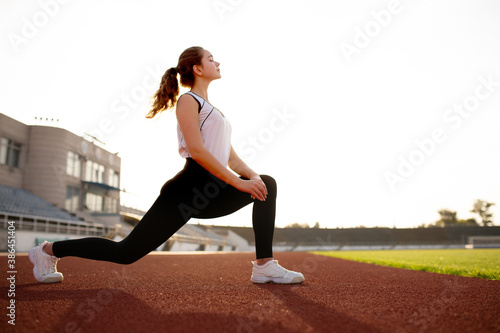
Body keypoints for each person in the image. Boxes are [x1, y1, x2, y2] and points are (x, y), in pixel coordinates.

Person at [29, 46, 305, 285]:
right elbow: (196, 150)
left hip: (213, 191)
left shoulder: (215, 110)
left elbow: (230, 157)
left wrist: (252, 176)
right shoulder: (188, 100)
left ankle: (264, 266)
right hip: (185, 193)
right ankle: (47, 250)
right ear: (197, 68)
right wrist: (238, 182)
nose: (217, 62)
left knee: (266, 183)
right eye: (211, 58)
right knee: (125, 253)